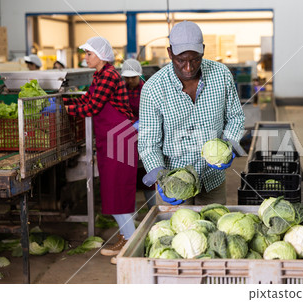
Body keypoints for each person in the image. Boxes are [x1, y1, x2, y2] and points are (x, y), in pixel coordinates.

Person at [138, 21, 245, 206]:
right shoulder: (153, 89)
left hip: (213, 179)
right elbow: (148, 142)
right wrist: (159, 176)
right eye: (181, 60)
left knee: (214, 229)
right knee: (177, 232)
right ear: (170, 53)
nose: (188, 67)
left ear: (203, 50)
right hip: (175, 181)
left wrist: (230, 146)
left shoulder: (221, 75)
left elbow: (235, 117)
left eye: (195, 59)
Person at [63, 37, 139, 265]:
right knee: (114, 191)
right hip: (111, 138)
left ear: (101, 55)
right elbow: (88, 99)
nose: (85, 57)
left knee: (118, 191)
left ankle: (132, 244)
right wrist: (62, 99)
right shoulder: (100, 75)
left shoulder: (108, 75)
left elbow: (92, 107)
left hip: (120, 138)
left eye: (89, 54)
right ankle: (127, 236)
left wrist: (64, 108)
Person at [121, 58, 156, 209]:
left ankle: (153, 210)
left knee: (147, 176)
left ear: (139, 75)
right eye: (126, 77)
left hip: (144, 138)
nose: (129, 80)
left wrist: (141, 125)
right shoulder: (121, 91)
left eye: (132, 77)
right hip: (126, 138)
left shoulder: (147, 90)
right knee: (129, 179)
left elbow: (153, 113)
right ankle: (132, 213)